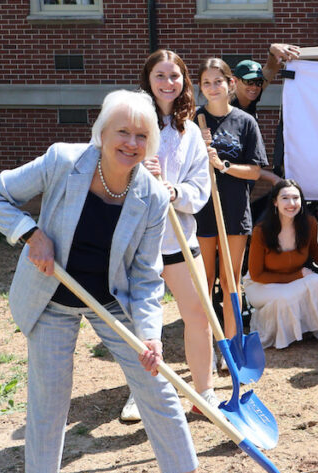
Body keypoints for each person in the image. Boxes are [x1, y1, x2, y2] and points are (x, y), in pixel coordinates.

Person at [0, 90, 222, 473]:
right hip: (52, 296)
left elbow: (145, 276)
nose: (131, 142)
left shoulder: (152, 197)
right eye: (122, 131)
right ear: (102, 133)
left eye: (142, 135)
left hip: (111, 299)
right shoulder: (62, 162)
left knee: (156, 383)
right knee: (49, 393)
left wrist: (150, 336)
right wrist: (30, 234)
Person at [118, 49, 217, 423]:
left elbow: (199, 186)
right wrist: (137, 170)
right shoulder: (128, 124)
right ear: (148, 80)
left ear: (183, 82)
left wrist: (172, 191)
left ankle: (203, 391)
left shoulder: (188, 131)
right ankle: (142, 394)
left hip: (178, 239)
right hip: (138, 242)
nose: (168, 83)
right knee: (143, 322)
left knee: (198, 315)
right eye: (160, 75)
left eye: (175, 76)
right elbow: (107, 172)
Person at [195, 58, 268, 346]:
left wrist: (222, 165)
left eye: (218, 82)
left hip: (235, 210)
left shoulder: (244, 122)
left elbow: (255, 170)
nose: (213, 88)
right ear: (200, 88)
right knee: (204, 282)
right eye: (206, 83)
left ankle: (232, 346)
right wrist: (200, 155)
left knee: (230, 282)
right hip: (202, 209)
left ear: (231, 84)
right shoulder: (192, 120)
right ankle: (207, 348)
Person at [243, 180, 318, 349]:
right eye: (285, 198)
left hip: (292, 281)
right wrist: (297, 275)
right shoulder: (261, 230)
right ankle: (278, 332)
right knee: (284, 298)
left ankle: (309, 329)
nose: (291, 203)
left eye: (296, 198)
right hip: (262, 286)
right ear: (275, 202)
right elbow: (257, 275)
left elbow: (315, 251)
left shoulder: (308, 224)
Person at [230, 42, 300, 185]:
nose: (254, 87)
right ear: (234, 82)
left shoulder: (250, 96)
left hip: (245, 180)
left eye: (258, 82)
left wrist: (273, 50)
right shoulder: (226, 106)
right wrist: (274, 179)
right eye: (249, 82)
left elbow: (270, 69)